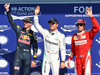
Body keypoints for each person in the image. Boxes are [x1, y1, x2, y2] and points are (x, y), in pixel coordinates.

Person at [4, 3, 38, 75]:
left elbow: (35, 47)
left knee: (26, 73)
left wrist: (34, 60)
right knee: (15, 73)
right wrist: (7, 10)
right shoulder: (19, 30)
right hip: (18, 54)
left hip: (27, 55)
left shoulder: (34, 34)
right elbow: (12, 22)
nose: (24, 23)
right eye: (24, 22)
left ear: (31, 24)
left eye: (26, 22)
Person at [31, 6, 66, 75]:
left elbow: (62, 49)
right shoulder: (46, 32)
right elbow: (37, 25)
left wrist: (63, 61)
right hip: (46, 56)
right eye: (50, 23)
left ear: (57, 25)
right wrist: (35, 15)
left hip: (55, 57)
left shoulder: (61, 35)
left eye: (53, 23)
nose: (51, 25)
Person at [67, 8, 99, 75]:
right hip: (77, 60)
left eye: (81, 24)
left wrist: (91, 17)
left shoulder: (88, 34)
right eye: (77, 25)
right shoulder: (74, 36)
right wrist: (70, 59)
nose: (79, 26)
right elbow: (72, 50)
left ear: (84, 25)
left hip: (86, 59)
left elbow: (97, 27)